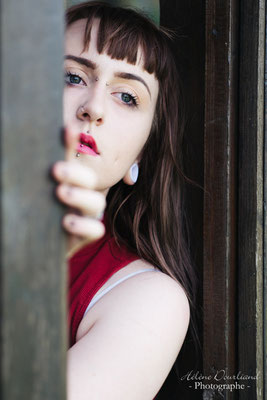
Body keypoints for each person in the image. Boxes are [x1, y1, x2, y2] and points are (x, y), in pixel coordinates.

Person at [52, 1, 197, 399]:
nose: (94, 108)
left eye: (127, 96)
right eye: (72, 76)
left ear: (140, 156)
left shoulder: (147, 300)